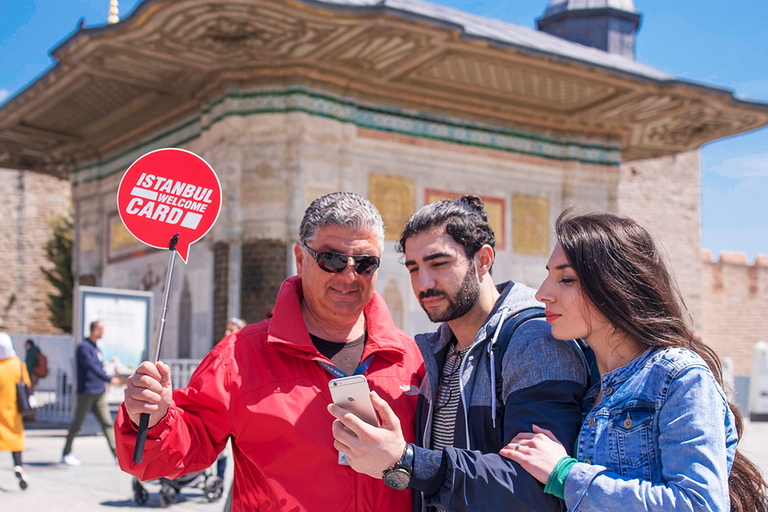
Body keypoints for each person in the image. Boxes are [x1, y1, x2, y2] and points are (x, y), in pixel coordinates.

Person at [115, 192, 425, 512]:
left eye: (365, 263)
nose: (349, 276)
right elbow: (165, 458)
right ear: (301, 259)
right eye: (331, 259)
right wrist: (152, 421)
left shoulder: (410, 358)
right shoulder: (239, 357)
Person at [329, 195, 588, 511]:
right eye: (413, 268)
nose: (424, 284)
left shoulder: (533, 340)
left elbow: (536, 490)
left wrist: (408, 460)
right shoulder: (439, 350)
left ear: (483, 260)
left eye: (439, 264)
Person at [500, 211, 768, 512]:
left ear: (613, 286)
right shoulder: (585, 385)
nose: (542, 293)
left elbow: (699, 504)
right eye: (548, 275)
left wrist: (566, 474)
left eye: (566, 279)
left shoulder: (678, 377)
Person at [61, 320, 121, 466]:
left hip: (98, 392)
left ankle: (116, 455)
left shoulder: (95, 348)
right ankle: (66, 453)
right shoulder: (83, 347)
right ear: (95, 330)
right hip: (87, 392)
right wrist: (108, 379)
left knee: (107, 423)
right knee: (78, 424)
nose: (103, 332)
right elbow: (92, 367)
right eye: (102, 329)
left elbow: (99, 366)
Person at [0, 332, 30, 490]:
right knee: (16, 440)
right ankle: (18, 466)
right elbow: (27, 384)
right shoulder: (17, 364)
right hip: (13, 411)